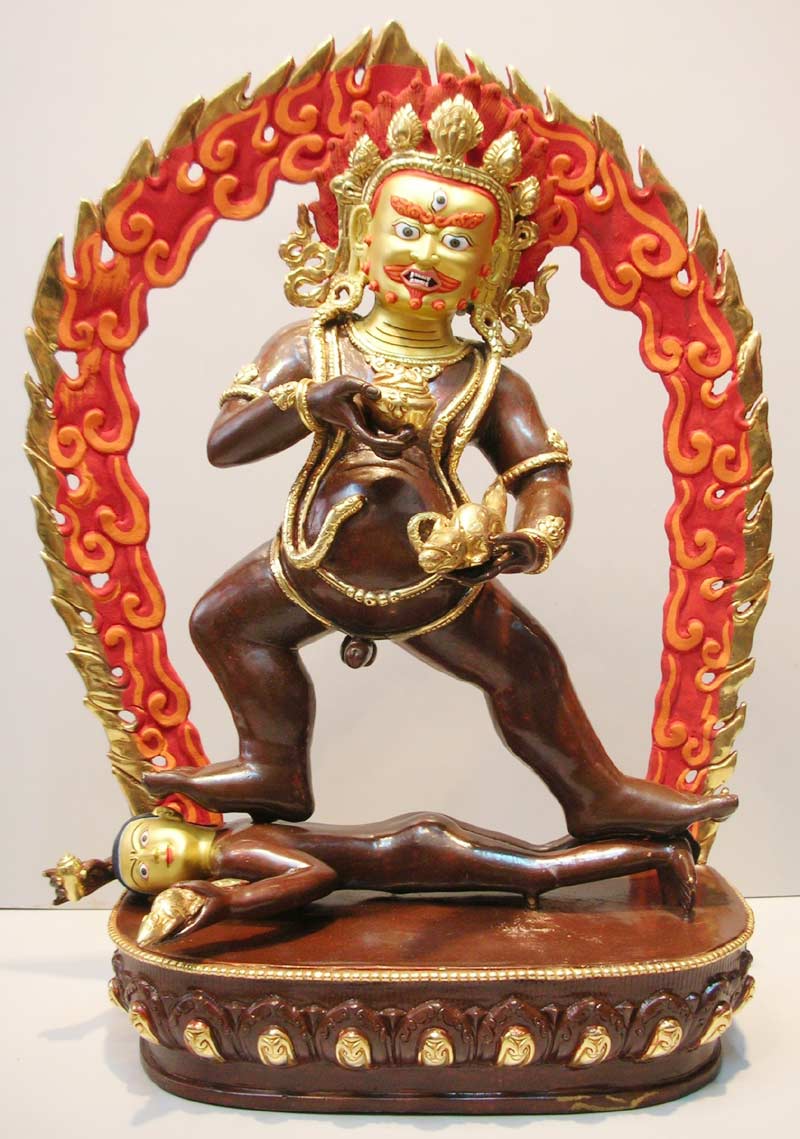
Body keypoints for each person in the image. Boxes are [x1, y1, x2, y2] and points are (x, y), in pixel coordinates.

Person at [143, 93, 735, 843]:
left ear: (490, 270)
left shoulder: (489, 381)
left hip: (435, 580)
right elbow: (225, 443)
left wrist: (530, 538)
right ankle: (274, 764)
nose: (426, 256)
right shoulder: (310, 349)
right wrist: (315, 402)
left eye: (456, 242)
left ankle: (596, 795)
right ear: (361, 238)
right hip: (310, 564)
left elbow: (540, 476)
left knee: (529, 669)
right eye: (408, 229)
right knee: (222, 623)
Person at [45, 810, 698, 946]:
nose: (157, 853)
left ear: (167, 821)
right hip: (418, 845)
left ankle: (663, 852)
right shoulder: (238, 835)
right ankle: (651, 842)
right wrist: (100, 873)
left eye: (148, 839)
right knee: (541, 858)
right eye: (146, 867)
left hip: (421, 854)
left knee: (544, 871)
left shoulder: (237, 849)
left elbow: (314, 875)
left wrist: (225, 904)